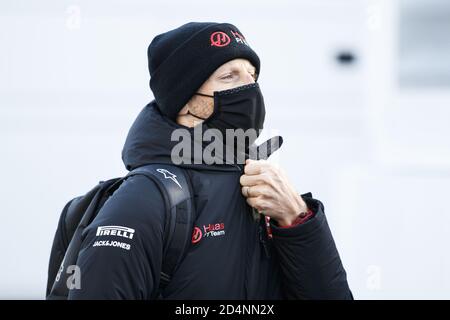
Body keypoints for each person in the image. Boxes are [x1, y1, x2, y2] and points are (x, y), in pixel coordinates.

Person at [68, 22, 352, 300]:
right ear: (186, 101)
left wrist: (296, 217)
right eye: (230, 77)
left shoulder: (264, 186)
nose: (250, 88)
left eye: (252, 75)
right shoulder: (146, 197)